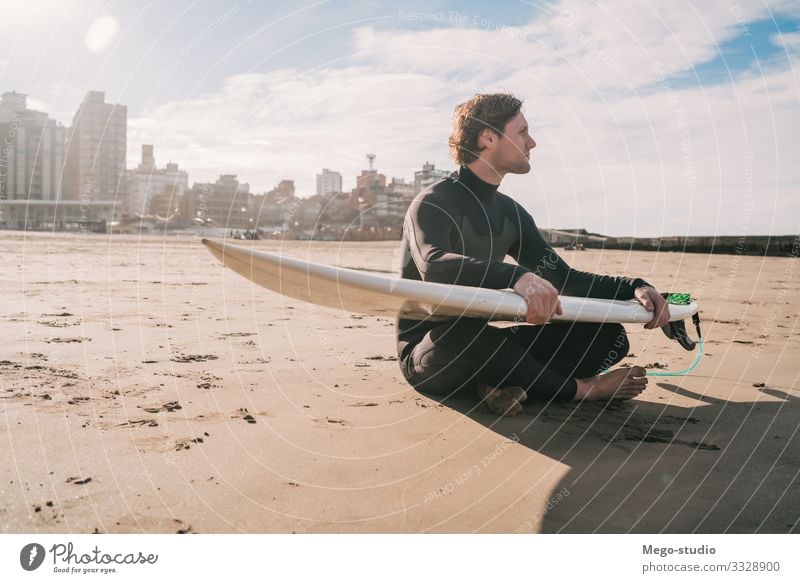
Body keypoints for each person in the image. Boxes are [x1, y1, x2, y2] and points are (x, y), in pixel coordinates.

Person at [396, 93, 670, 416]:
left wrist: (634, 287)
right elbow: (433, 266)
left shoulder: (510, 214)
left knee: (607, 337)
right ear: (488, 136)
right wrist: (517, 277)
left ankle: (493, 385)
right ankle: (583, 390)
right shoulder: (433, 202)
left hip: (487, 343)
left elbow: (564, 278)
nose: (533, 142)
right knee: (465, 336)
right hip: (432, 351)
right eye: (522, 131)